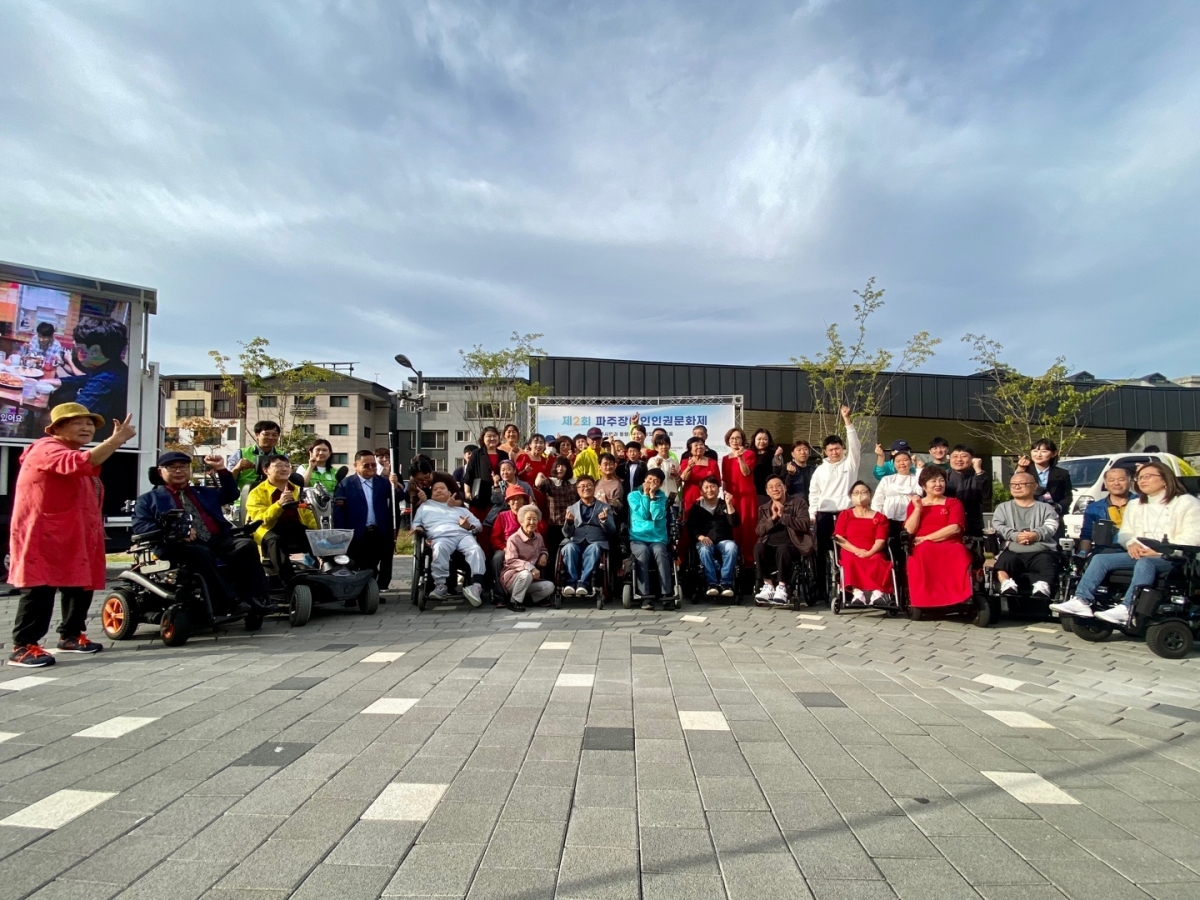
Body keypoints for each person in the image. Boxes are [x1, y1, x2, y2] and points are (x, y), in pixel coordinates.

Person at [8, 404, 136, 667]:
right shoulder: (45, 448)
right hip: (44, 534)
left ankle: (71, 635)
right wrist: (115, 441)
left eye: (90, 424)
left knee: (80, 584)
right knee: (40, 587)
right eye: (78, 422)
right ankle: (23, 646)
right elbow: (81, 463)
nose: (87, 428)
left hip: (76, 535)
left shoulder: (69, 452)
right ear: (57, 428)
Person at [1052, 462, 1200, 626]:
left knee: (1146, 563)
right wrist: (1131, 544)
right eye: (1140, 477)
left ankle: (1128, 607)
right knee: (1100, 559)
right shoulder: (1136, 504)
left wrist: (1158, 551)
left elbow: (1194, 537)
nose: (1142, 481)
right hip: (1141, 552)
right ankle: (1082, 600)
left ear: (1165, 479)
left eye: (1148, 477)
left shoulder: (1186, 502)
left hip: (1173, 556)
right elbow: (1126, 533)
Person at [133, 450, 271, 615]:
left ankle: (256, 598)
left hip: (216, 540)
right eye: (172, 468)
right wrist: (178, 531)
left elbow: (231, 494)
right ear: (160, 472)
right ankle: (229, 601)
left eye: (183, 467)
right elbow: (141, 526)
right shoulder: (149, 499)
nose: (179, 471)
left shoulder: (203, 492)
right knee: (200, 552)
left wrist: (221, 469)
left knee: (246, 545)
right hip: (178, 545)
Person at [904, 466, 974, 611]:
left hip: (950, 543)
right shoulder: (916, 504)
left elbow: (955, 528)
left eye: (941, 480)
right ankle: (927, 598)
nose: (938, 484)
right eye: (933, 481)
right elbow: (909, 530)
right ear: (924, 486)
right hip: (923, 546)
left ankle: (958, 596)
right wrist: (918, 509)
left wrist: (927, 538)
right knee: (923, 551)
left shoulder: (953, 503)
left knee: (959, 551)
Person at [47, 318, 129, 440]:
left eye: (79, 348)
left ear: (95, 351)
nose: (77, 352)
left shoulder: (109, 379)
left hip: (98, 441)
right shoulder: (113, 367)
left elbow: (75, 414)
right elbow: (86, 379)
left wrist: (48, 416)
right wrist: (58, 382)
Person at [808, 406, 860, 598]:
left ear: (842, 448)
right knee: (823, 552)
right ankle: (822, 589)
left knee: (847, 551)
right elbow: (814, 493)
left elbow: (855, 445)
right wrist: (812, 514)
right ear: (825, 451)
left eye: (837, 448)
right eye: (831, 449)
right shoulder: (820, 470)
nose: (835, 452)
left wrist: (847, 420)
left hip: (847, 513)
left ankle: (848, 588)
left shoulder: (851, 464)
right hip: (825, 515)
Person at [411, 473, 486, 606]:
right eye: (435, 489)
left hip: (463, 535)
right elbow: (416, 523)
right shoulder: (425, 506)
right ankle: (440, 585)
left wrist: (468, 526)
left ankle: (476, 586)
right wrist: (418, 529)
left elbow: (479, 526)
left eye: (442, 488)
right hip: (440, 537)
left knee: (475, 549)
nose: (439, 490)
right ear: (431, 494)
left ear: (450, 492)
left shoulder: (460, 508)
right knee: (439, 548)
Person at [246, 455, 317, 584]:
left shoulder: (296, 489)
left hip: (294, 527)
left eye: (287, 466)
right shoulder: (257, 492)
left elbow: (307, 515)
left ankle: (324, 575)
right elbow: (261, 521)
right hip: (268, 529)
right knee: (276, 540)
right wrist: (279, 504)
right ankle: (289, 582)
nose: (284, 469)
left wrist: (319, 531)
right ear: (266, 470)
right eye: (278, 466)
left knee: (316, 537)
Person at [333, 450, 399, 591]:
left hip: (378, 531)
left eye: (373, 465)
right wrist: (341, 532)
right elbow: (338, 511)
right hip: (356, 532)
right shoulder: (346, 484)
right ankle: (355, 593)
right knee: (355, 564)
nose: (371, 468)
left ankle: (371, 592)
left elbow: (398, 497)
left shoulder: (383, 482)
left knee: (371, 565)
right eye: (366, 465)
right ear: (355, 465)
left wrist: (395, 484)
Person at [990, 472, 1061, 598]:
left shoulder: (1046, 508)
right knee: (1002, 563)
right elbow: (998, 526)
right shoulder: (1002, 508)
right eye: (1013, 484)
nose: (1016, 487)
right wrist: (1015, 535)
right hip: (1012, 550)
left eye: (1022, 484)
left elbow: (1051, 526)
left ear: (1034, 486)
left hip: (1040, 550)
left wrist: (1035, 534)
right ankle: (1006, 584)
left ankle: (1042, 587)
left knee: (1047, 562)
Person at [753, 475, 813, 607]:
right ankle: (768, 585)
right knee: (758, 547)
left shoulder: (799, 503)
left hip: (793, 544)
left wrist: (783, 516)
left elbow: (804, 525)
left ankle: (782, 587)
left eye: (778, 485)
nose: (775, 489)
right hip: (770, 544)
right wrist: (773, 518)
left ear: (785, 488)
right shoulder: (764, 508)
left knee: (783, 549)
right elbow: (759, 531)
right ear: (767, 492)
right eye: (771, 487)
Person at [834, 482, 893, 606]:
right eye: (856, 493)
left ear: (870, 494)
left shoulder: (880, 517)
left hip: (873, 550)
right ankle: (857, 593)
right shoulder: (845, 515)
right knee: (850, 560)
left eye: (863, 492)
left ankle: (877, 593)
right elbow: (839, 538)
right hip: (850, 549)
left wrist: (870, 552)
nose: (860, 495)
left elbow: (881, 539)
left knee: (878, 560)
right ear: (851, 496)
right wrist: (857, 550)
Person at [561, 475, 617, 597]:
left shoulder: (605, 507)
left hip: (596, 541)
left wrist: (604, 521)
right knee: (568, 548)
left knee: (594, 548)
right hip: (576, 541)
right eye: (582, 486)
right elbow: (566, 534)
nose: (586, 488)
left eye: (589, 485)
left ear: (594, 488)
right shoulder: (571, 508)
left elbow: (612, 530)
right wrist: (569, 523)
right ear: (577, 490)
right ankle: (571, 583)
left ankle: (583, 583)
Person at [687, 477, 740, 597]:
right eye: (706, 487)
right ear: (701, 491)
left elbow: (735, 523)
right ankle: (712, 584)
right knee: (704, 549)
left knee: (732, 547)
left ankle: (725, 583)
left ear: (718, 489)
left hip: (724, 540)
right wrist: (700, 537)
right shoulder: (696, 507)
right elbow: (691, 527)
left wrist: (729, 504)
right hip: (705, 540)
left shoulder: (724, 504)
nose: (710, 490)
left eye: (713, 486)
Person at [628, 469, 674, 610]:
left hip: (657, 537)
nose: (651, 483)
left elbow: (657, 516)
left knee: (660, 552)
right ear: (644, 479)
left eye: (656, 481)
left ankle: (667, 594)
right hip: (638, 537)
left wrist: (653, 497)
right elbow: (643, 514)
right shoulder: (633, 495)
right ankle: (644, 595)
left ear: (660, 485)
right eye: (649, 479)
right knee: (642, 552)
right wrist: (646, 496)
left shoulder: (662, 497)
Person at [500, 506, 554, 612]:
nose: (532, 522)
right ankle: (514, 602)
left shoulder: (539, 537)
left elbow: (543, 549)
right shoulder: (513, 539)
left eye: (534, 519)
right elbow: (511, 561)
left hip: (530, 580)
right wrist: (530, 567)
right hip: (513, 579)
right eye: (528, 519)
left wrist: (544, 555)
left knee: (549, 586)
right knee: (526, 574)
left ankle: (527, 600)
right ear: (521, 521)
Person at [721, 428, 759, 564]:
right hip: (732, 496)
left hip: (747, 495)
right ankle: (735, 559)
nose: (735, 440)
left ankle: (750, 559)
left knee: (748, 525)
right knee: (734, 526)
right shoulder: (725, 459)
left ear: (742, 440)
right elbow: (725, 480)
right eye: (732, 438)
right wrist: (725, 498)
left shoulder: (749, 454)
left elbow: (746, 472)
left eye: (738, 438)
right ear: (728, 441)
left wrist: (740, 457)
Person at [1079, 466, 1135, 554]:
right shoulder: (1093, 508)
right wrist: (1082, 555)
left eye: (1121, 479)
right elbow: (1086, 536)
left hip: (1136, 551)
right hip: (1104, 552)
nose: (1116, 483)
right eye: (1111, 480)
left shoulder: (1142, 503)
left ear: (1130, 482)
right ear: (1105, 484)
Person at [944, 445, 992, 538]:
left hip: (973, 525)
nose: (959, 460)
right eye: (955, 456)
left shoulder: (979, 475)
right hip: (948, 524)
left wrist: (978, 470)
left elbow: (986, 496)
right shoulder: (943, 476)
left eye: (964, 456)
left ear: (972, 459)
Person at [872, 450, 922, 533]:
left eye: (905, 460)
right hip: (888, 518)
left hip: (910, 518)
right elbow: (877, 499)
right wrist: (877, 516)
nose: (902, 463)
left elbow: (921, 493)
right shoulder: (887, 479)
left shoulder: (917, 479)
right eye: (898, 461)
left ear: (911, 462)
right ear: (894, 464)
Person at [1017, 439, 1073, 513]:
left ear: (1054, 453)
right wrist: (1020, 472)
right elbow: (1014, 489)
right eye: (1035, 451)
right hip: (1028, 512)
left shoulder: (1062, 473)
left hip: (1053, 514)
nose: (1038, 455)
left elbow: (1067, 497)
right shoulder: (1024, 470)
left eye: (1044, 451)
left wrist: (1058, 507)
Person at [536, 456, 576, 562]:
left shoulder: (574, 482)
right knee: (554, 552)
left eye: (563, 466)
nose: (560, 468)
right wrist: (539, 475)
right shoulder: (550, 482)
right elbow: (540, 486)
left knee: (571, 551)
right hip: (555, 523)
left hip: (572, 523)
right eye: (558, 466)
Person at [229, 420, 282, 492]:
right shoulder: (241, 453)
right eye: (266, 434)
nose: (270, 438)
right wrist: (236, 469)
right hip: (245, 495)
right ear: (257, 435)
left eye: (274, 435)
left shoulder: (282, 455)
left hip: (273, 495)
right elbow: (227, 482)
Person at [680, 438, 719, 515]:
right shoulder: (685, 462)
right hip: (690, 494)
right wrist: (689, 467)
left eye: (701, 444)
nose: (699, 447)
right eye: (696, 445)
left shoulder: (712, 463)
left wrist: (707, 495)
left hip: (708, 494)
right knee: (690, 516)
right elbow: (683, 478)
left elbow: (717, 482)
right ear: (690, 449)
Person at [515, 434, 552, 516]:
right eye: (536, 442)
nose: (538, 445)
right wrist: (525, 471)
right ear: (530, 445)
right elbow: (515, 476)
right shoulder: (523, 457)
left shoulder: (545, 460)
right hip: (527, 495)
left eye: (541, 443)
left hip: (541, 496)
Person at [750, 429, 781, 504]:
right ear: (754, 440)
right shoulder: (749, 454)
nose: (762, 441)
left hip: (767, 492)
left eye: (765, 439)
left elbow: (778, 472)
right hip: (751, 491)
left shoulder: (774, 454)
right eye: (759, 439)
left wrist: (777, 457)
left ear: (769, 440)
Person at [647, 434, 680, 500]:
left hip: (672, 496)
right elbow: (652, 479)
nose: (664, 447)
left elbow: (678, 483)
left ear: (669, 446)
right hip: (658, 496)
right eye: (661, 445)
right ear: (656, 448)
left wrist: (676, 476)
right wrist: (658, 466)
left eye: (666, 444)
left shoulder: (674, 462)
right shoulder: (652, 460)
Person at [594, 452, 625, 518]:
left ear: (615, 466)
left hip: (611, 518)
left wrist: (612, 503)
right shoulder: (596, 483)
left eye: (611, 464)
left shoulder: (619, 484)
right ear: (599, 467)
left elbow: (621, 507)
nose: (608, 467)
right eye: (605, 464)